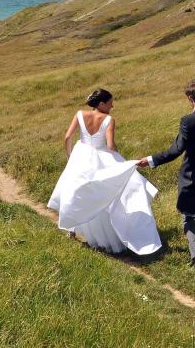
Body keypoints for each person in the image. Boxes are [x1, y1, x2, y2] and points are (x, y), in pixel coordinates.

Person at [48, 88, 161, 255]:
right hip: (100, 158)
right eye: (110, 103)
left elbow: (67, 137)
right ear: (101, 103)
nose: (112, 106)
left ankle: (71, 229)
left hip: (80, 155)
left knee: (75, 191)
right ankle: (105, 234)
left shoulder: (80, 114)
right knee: (100, 193)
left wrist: (70, 156)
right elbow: (110, 146)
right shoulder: (108, 119)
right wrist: (121, 161)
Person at [137, 80, 195, 265]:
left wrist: (150, 160)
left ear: (190, 98)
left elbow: (175, 150)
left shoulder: (188, 122)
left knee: (189, 216)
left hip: (192, 177)